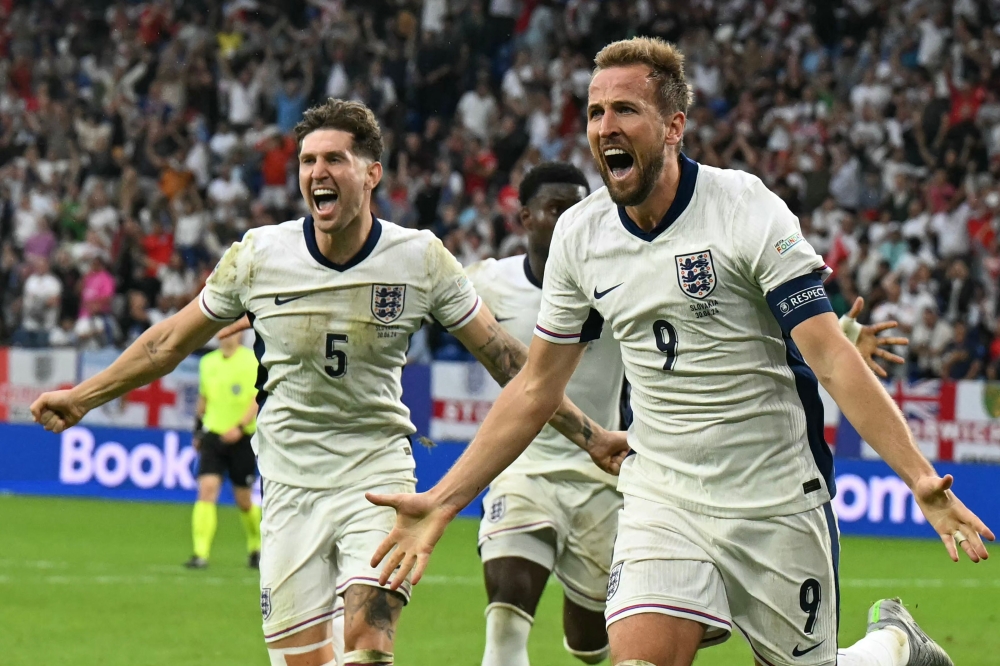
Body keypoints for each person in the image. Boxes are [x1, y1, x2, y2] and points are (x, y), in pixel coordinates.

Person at [368, 38, 993, 666]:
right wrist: (443, 500)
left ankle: (891, 648)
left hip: (774, 497)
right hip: (662, 497)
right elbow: (535, 387)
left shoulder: (745, 210)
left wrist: (919, 479)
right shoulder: (582, 238)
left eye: (625, 110)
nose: (605, 127)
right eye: (594, 113)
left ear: (673, 127)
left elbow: (829, 355)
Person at [30, 98, 624, 666]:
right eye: (308, 161)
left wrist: (590, 435)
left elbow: (507, 361)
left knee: (368, 634)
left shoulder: (419, 259)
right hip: (289, 486)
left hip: (376, 478)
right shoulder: (258, 257)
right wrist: (83, 397)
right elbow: (168, 342)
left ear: (372, 174)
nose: (318, 172)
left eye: (334, 159)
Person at [468, 160, 912, 666]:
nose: (569, 214)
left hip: (644, 475)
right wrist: (442, 501)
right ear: (524, 217)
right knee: (510, 619)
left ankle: (890, 646)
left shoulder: (641, 251)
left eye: (574, 204)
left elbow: (728, 321)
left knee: (588, 648)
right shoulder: (499, 277)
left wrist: (846, 337)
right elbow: (489, 346)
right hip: (609, 481)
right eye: (554, 208)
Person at [185, 329, 261, 570]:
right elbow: (203, 398)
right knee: (206, 491)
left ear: (239, 336)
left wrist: (239, 427)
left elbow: (257, 398)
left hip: (242, 437)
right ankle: (200, 553)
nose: (226, 336)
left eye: (231, 332)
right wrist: (198, 430)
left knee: (244, 500)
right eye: (222, 331)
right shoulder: (208, 363)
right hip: (214, 436)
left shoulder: (251, 361)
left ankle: (256, 545)